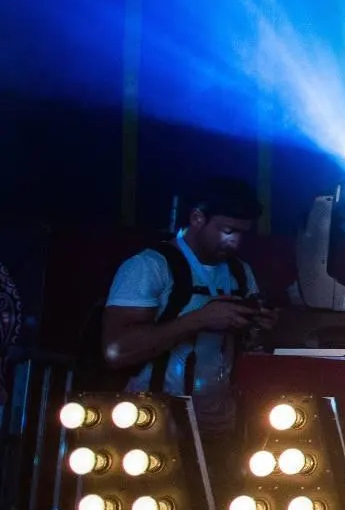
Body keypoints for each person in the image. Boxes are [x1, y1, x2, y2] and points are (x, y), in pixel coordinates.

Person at [100, 178, 274, 437]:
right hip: (151, 423)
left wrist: (261, 328)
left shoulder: (239, 271)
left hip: (221, 424)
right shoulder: (149, 266)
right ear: (196, 218)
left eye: (242, 233)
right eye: (227, 231)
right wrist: (199, 319)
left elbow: (249, 349)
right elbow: (116, 351)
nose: (236, 242)